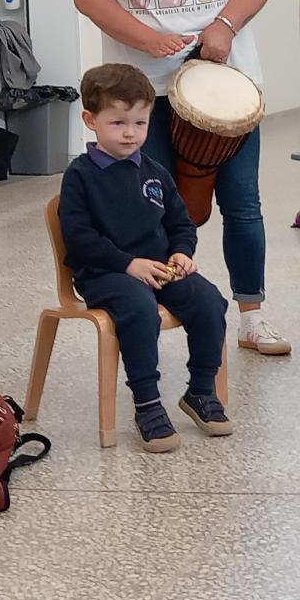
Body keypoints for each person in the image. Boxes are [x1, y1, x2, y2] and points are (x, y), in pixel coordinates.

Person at [71, 0, 289, 357]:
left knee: (243, 202)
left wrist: (223, 27)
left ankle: (252, 315)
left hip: (225, 81)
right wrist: (149, 40)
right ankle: (151, 308)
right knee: (153, 206)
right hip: (140, 89)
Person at [58, 64, 232, 453]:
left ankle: (201, 390)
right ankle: (147, 404)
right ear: (91, 120)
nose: (130, 133)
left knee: (207, 299)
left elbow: (180, 223)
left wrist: (182, 253)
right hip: (106, 274)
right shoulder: (80, 176)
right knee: (139, 309)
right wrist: (127, 264)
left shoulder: (155, 172)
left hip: (160, 269)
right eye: (118, 122)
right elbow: (80, 239)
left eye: (140, 122)